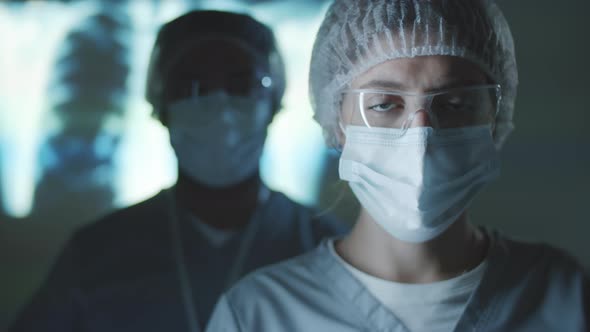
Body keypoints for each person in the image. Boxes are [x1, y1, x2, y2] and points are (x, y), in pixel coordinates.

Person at [206, 1, 590, 331]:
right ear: (337, 121)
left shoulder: (565, 296)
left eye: (454, 104)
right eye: (384, 105)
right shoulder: (258, 316)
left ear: (494, 117)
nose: (420, 135)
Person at [9, 10, 347, 332]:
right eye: (192, 87)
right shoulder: (96, 255)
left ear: (274, 104)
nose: (220, 109)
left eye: (242, 85)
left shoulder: (329, 251)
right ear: (159, 106)